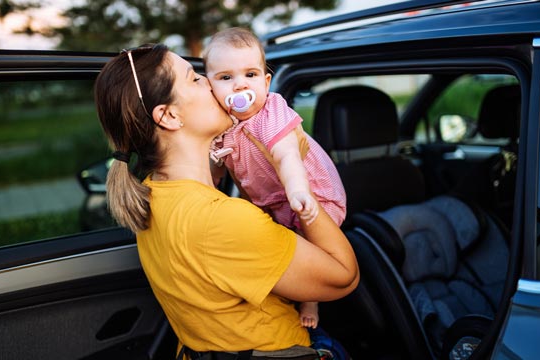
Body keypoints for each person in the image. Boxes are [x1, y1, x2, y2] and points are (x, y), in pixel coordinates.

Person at [93, 43, 359, 359]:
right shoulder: (222, 220)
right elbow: (345, 277)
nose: (213, 82)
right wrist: (298, 181)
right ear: (169, 115)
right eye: (195, 79)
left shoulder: (153, 193)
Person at [202, 27, 347, 329]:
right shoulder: (221, 126)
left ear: (266, 82)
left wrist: (298, 190)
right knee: (286, 248)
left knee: (313, 244)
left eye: (250, 75)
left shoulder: (271, 112)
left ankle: (311, 299)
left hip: (313, 193)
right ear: (209, 86)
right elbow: (217, 172)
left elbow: (286, 155)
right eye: (226, 78)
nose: (240, 86)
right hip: (273, 201)